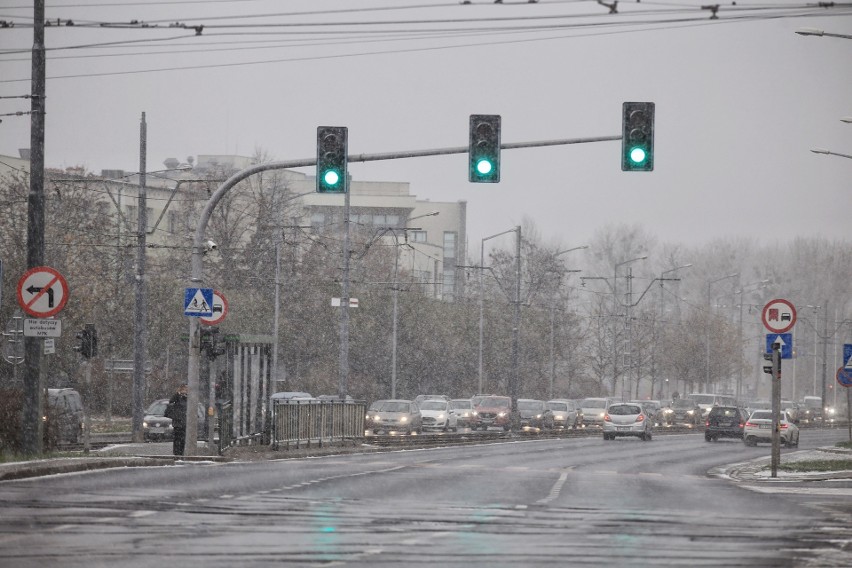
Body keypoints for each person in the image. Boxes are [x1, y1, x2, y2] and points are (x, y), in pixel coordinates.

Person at [165, 384, 188, 456]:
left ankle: (181, 452)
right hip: (177, 421)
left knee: (183, 439)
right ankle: (176, 452)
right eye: (183, 389)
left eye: (185, 389)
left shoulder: (187, 398)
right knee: (177, 438)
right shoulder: (177, 397)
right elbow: (171, 401)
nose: (184, 391)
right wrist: (178, 394)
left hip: (184, 421)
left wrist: (186, 395)